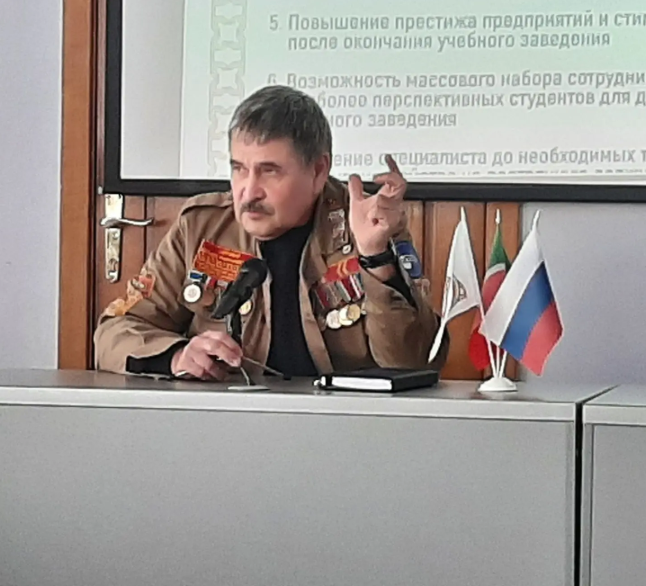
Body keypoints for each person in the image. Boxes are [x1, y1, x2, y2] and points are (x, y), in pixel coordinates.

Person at [94, 85, 449, 380]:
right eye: (239, 169)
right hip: (229, 424)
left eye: (269, 171)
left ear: (318, 171)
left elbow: (416, 362)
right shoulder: (201, 228)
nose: (248, 191)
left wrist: (375, 259)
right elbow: (114, 331)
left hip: (342, 425)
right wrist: (176, 356)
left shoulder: (368, 223)